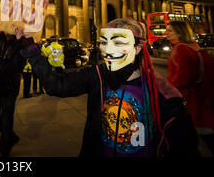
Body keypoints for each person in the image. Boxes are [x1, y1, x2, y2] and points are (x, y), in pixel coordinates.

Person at [21, 18, 199, 157]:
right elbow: (56, 85)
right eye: (104, 42)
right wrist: (31, 49)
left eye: (119, 42)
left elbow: (184, 147)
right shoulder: (97, 75)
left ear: (137, 48)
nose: (108, 50)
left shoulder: (163, 95)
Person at [0, 27, 33, 157]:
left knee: (7, 116)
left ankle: (5, 149)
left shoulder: (20, 43)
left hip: (10, 86)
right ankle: (11, 136)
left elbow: (17, 66)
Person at [165, 21, 214, 154]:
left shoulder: (181, 49)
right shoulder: (192, 46)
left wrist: (166, 91)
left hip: (192, 101)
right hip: (200, 100)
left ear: (180, 33)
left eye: (170, 31)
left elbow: (182, 77)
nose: (166, 33)